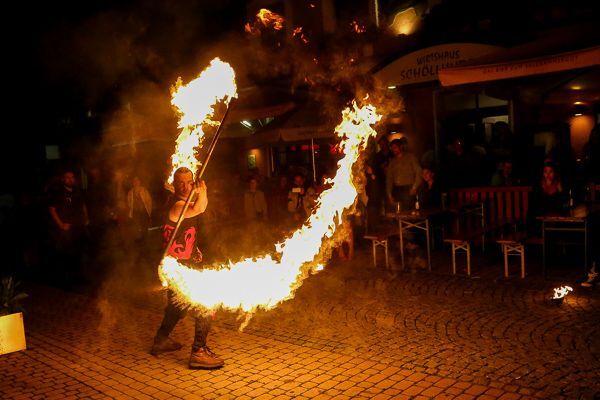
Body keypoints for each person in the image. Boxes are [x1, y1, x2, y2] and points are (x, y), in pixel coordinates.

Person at [150, 167, 223, 369]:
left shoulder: (184, 203)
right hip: (178, 268)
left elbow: (185, 229)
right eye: (180, 183)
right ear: (174, 184)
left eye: (189, 182)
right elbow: (200, 208)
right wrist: (203, 189)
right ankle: (198, 352)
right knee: (206, 304)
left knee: (177, 307)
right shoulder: (177, 205)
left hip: (180, 264)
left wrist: (193, 249)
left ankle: (160, 341)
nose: (185, 186)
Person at [47, 170, 88, 285]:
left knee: (80, 253)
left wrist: (86, 218)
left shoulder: (77, 191)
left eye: (72, 177)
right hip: (67, 229)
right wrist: (61, 224)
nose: (70, 179)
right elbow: (52, 209)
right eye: (67, 177)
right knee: (68, 254)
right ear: (63, 179)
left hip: (79, 226)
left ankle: (81, 277)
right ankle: (67, 280)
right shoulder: (58, 192)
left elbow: (83, 205)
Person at [386, 138, 422, 212]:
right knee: (398, 211)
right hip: (397, 190)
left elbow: (419, 172)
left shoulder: (410, 157)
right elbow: (389, 179)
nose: (393, 150)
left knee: (409, 211)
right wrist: (389, 194)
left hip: (408, 188)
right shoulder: (392, 162)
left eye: (395, 147)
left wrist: (415, 187)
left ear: (401, 147)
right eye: (392, 148)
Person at [127, 176, 153, 242]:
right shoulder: (130, 192)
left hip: (144, 212)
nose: (136, 182)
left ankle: (144, 240)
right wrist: (130, 210)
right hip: (135, 213)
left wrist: (149, 211)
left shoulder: (144, 190)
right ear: (133, 183)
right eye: (134, 181)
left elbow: (149, 201)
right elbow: (129, 203)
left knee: (144, 227)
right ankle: (137, 240)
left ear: (140, 182)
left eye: (137, 180)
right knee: (136, 227)